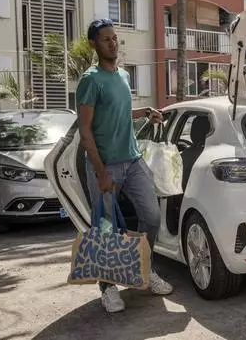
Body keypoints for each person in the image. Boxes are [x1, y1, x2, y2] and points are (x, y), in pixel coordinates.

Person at [76, 18, 173, 313]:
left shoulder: (123, 76)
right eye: (105, 39)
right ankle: (108, 287)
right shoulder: (89, 80)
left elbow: (118, 112)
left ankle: (144, 270)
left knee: (152, 217)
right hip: (105, 165)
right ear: (94, 44)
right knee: (106, 228)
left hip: (132, 160)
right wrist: (101, 171)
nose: (112, 43)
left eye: (115, 38)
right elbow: (86, 130)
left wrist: (144, 112)